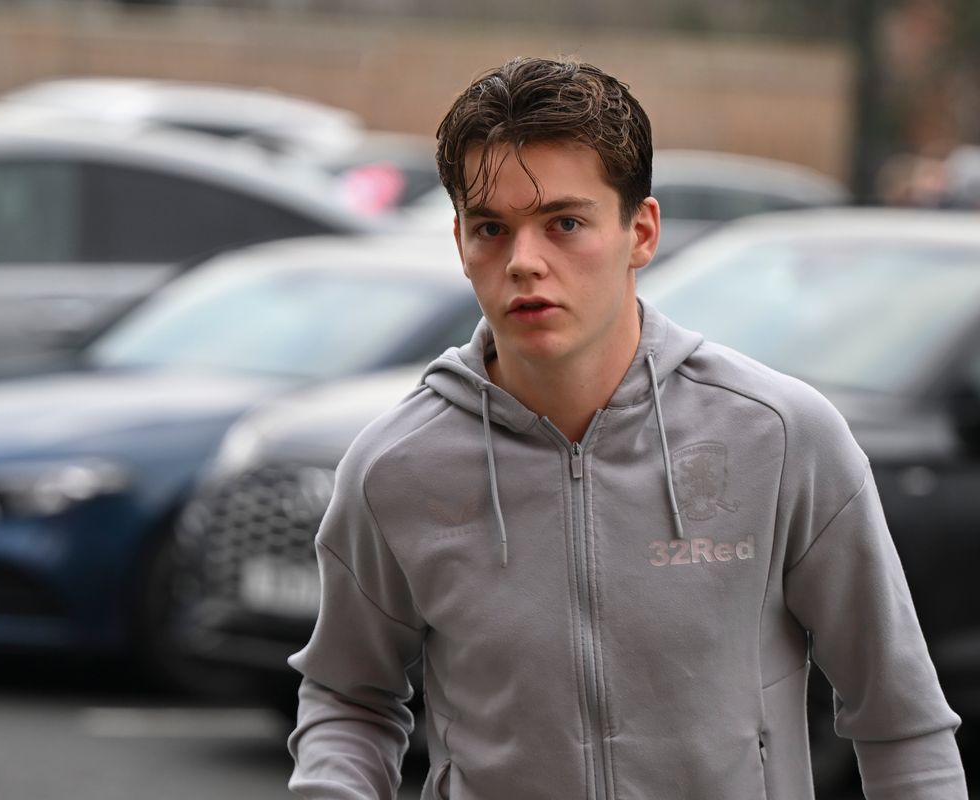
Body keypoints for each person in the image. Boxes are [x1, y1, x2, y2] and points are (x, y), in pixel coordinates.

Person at [286, 57, 966, 799]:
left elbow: (901, 722)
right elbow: (348, 697)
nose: (523, 262)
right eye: (491, 228)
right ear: (459, 243)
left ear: (640, 232)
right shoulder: (396, 466)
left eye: (564, 224)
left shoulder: (780, 436)